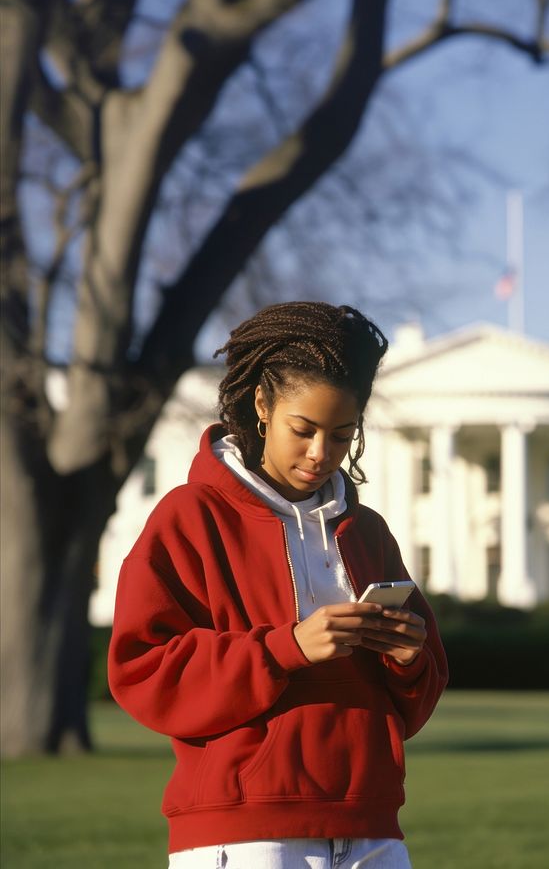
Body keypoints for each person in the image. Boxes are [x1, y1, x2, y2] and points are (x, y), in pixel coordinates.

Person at [108, 301, 448, 869]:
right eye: (304, 429)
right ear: (262, 404)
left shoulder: (366, 532)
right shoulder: (190, 517)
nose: (321, 454)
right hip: (245, 837)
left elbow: (418, 697)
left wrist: (410, 659)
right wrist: (287, 648)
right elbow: (144, 670)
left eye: (342, 435)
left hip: (371, 829)